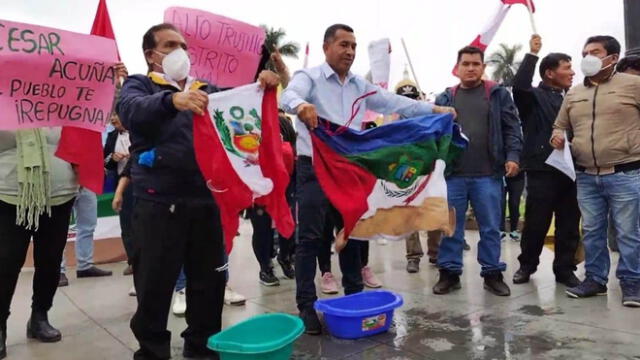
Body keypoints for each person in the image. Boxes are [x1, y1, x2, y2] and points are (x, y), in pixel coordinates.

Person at [117, 23, 280, 359]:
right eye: (170, 45)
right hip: (158, 203)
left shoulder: (206, 89)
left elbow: (239, 106)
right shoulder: (140, 84)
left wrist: (262, 85)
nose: (181, 52)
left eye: (184, 45)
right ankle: (152, 352)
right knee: (155, 287)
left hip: (206, 201)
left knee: (208, 286)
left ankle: (203, 350)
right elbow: (130, 110)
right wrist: (172, 100)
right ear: (151, 54)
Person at [281, 23, 455, 334]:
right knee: (308, 239)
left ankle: (354, 298)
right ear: (327, 48)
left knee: (353, 232)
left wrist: (434, 110)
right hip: (314, 168)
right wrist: (301, 105)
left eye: (353, 46)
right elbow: (289, 95)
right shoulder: (310, 77)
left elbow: (395, 103)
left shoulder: (360, 86)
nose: (349, 51)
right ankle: (306, 306)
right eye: (343, 45)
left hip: (349, 170)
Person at [551, 35, 640, 307]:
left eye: (595, 52)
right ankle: (595, 280)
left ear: (612, 58)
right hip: (587, 176)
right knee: (591, 231)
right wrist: (557, 136)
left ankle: (632, 283)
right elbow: (560, 126)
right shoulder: (575, 93)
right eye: (584, 51)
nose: (587, 56)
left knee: (627, 232)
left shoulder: (633, 85)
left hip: (625, 173)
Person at [432, 46, 522, 297]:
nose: (471, 68)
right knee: (450, 227)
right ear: (457, 68)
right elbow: (433, 135)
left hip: (489, 175)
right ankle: (449, 273)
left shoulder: (497, 94)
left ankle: (492, 273)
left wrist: (513, 156)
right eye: (466, 64)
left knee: (491, 227)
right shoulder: (445, 98)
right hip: (453, 176)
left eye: (476, 63)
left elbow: (512, 128)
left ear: (483, 67)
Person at [0, 128, 79, 359]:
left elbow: (83, 128)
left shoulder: (60, 96)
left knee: (51, 260)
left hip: (59, 192)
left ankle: (40, 316)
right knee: (6, 263)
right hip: (9, 193)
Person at [511, 34, 581, 287]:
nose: (572, 73)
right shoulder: (533, 97)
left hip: (571, 170)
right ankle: (526, 266)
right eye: (567, 68)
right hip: (542, 168)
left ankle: (565, 269)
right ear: (550, 73)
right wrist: (532, 54)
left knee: (569, 223)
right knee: (536, 223)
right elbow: (518, 86)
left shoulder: (572, 97)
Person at [394, 79, 446, 273]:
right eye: (404, 99)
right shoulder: (395, 122)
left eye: (413, 98)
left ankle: (436, 252)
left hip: (429, 169)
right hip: (406, 171)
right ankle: (413, 256)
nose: (409, 103)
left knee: (432, 211)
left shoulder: (430, 116)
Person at [104, 113, 134, 276]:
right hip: (121, 187)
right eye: (111, 116)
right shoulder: (111, 136)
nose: (114, 119)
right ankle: (133, 261)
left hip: (141, 184)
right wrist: (113, 158)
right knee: (126, 224)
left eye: (116, 115)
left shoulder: (139, 132)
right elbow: (106, 163)